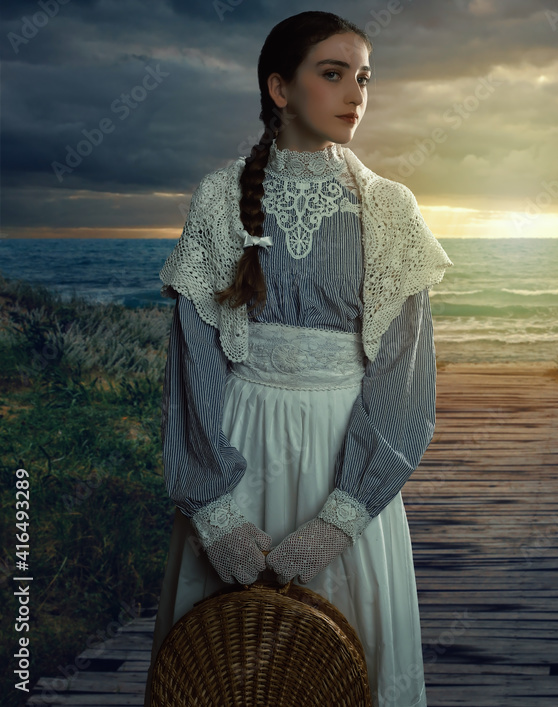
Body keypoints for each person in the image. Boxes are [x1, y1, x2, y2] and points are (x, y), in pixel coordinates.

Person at [145, 11, 451, 707]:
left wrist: (337, 521)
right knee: (227, 673)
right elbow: (193, 364)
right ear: (280, 89)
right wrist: (215, 515)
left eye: (364, 79)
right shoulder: (222, 197)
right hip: (240, 454)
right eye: (333, 74)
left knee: (348, 669)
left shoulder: (391, 208)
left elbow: (404, 380)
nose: (355, 95)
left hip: (347, 464)